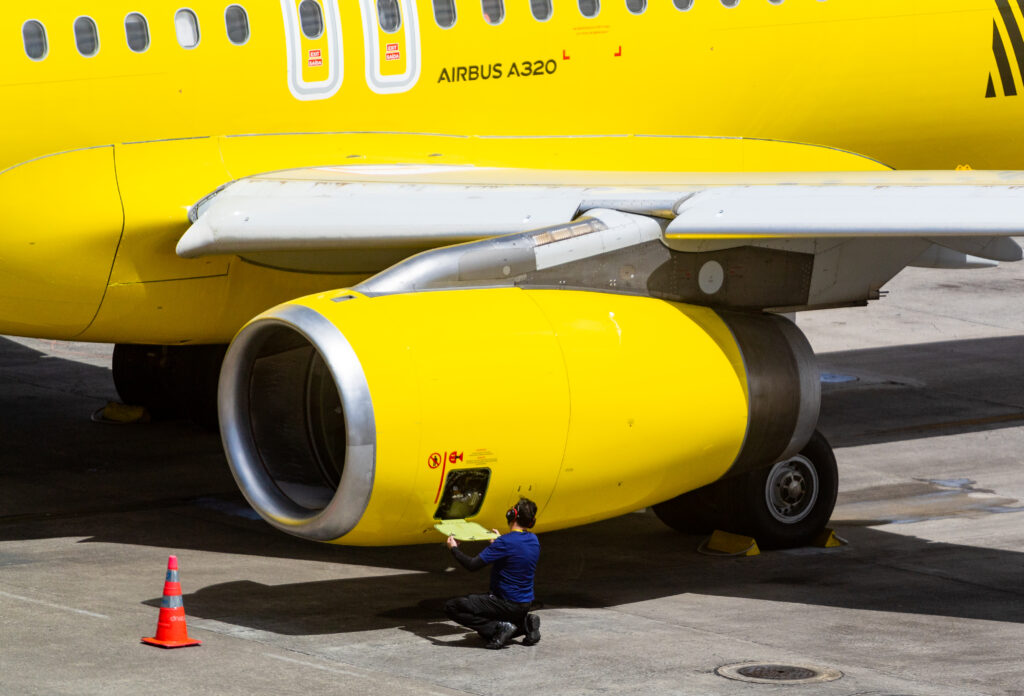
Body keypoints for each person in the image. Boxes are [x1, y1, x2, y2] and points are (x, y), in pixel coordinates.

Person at [444, 498, 541, 649]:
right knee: (485, 631)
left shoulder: (505, 542)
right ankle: (525, 624)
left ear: (512, 515)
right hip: (524, 604)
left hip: (505, 603)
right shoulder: (533, 540)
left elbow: (472, 565)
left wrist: (454, 549)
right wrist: (499, 543)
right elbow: (515, 552)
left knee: (452, 607)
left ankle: (501, 628)